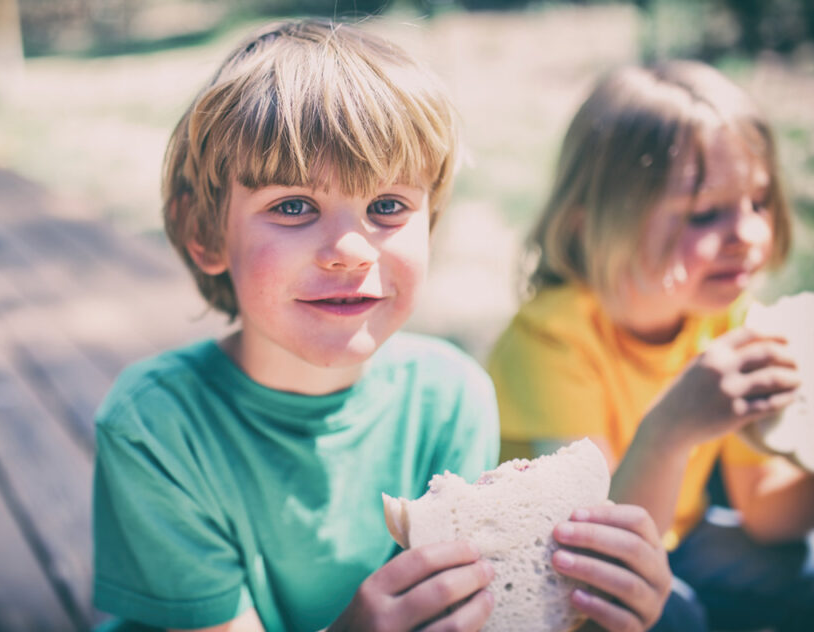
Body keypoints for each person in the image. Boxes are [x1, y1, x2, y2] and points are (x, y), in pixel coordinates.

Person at [93, 20, 670, 632]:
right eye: (293, 206)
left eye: (387, 207)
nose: (350, 250)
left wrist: (598, 607)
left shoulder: (452, 396)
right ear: (206, 233)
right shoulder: (153, 427)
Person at [488, 60, 814, 631]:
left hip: (679, 539)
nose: (748, 234)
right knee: (676, 616)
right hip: (564, 587)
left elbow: (766, 513)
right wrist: (672, 429)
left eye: (759, 202)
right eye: (705, 213)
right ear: (588, 225)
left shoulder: (726, 317)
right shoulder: (551, 342)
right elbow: (592, 558)